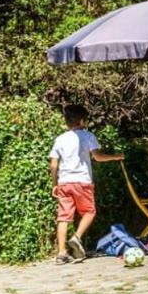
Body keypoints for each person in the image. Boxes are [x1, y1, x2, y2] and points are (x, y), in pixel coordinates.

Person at [50, 104, 124, 264]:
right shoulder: (88, 136)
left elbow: (54, 164)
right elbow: (98, 157)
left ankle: (61, 253)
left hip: (64, 182)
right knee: (89, 212)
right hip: (82, 181)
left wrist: (54, 184)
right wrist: (116, 157)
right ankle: (76, 237)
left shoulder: (60, 139)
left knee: (63, 217)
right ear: (82, 121)